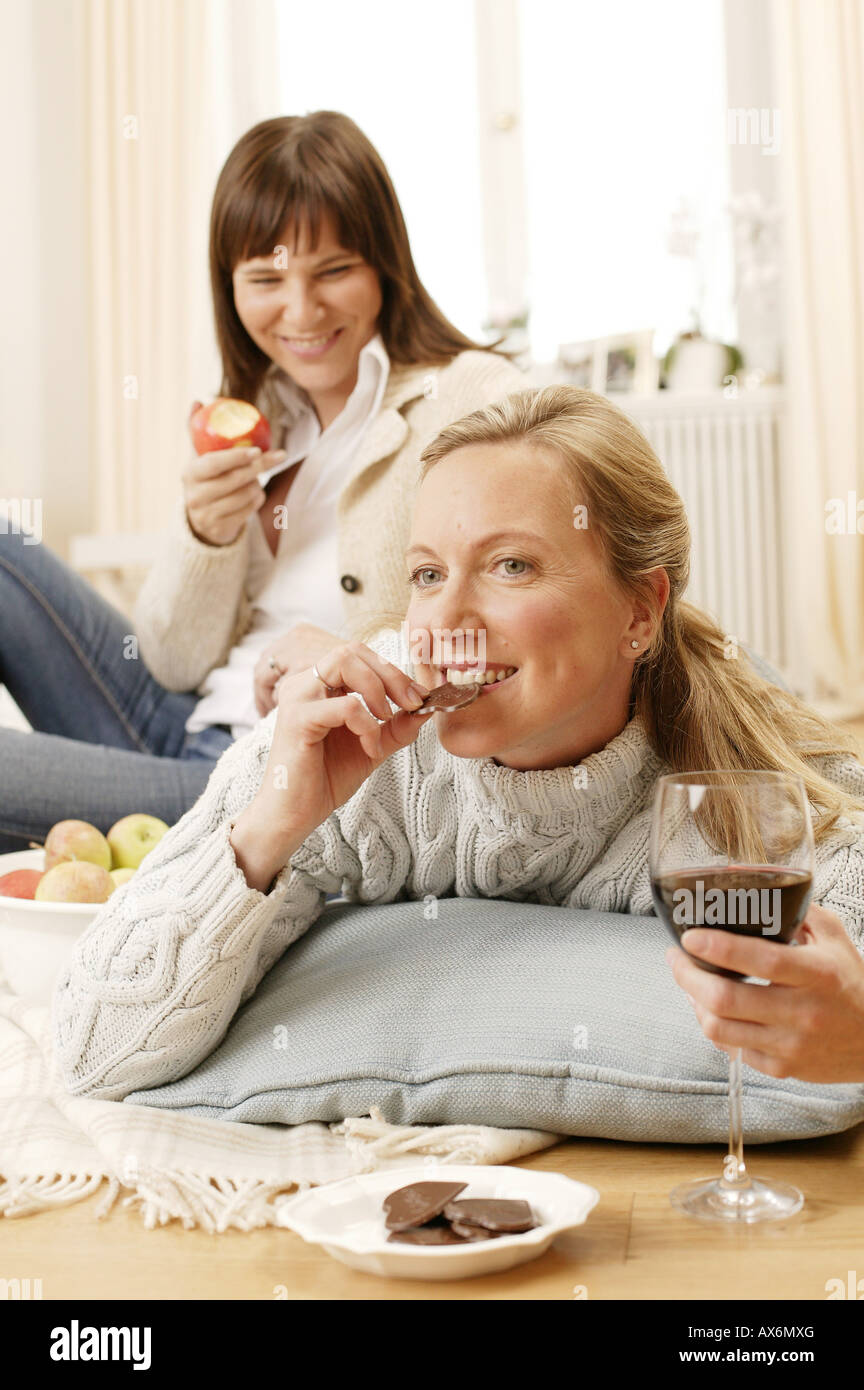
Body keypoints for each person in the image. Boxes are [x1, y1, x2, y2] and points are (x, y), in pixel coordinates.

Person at [53, 386, 864, 1104]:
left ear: (640, 610)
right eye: (428, 575)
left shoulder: (742, 794)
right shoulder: (353, 749)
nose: (441, 625)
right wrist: (273, 823)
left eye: (511, 565)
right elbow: (94, 1052)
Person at [0, 111, 524, 853]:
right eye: (267, 279)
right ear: (231, 287)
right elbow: (172, 663)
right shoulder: (262, 415)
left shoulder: (474, 396)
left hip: (269, 773)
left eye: (334, 271)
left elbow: (532, 606)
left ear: (385, 264)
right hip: (181, 722)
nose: (302, 312)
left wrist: (357, 658)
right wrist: (204, 536)